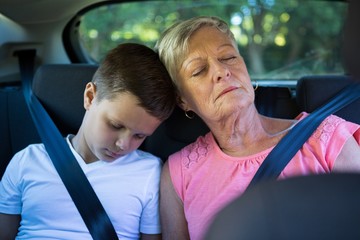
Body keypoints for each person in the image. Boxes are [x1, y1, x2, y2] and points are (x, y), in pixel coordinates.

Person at [155, 16, 360, 240]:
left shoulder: (328, 138)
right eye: (198, 70)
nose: (221, 71)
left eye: (228, 57)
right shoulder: (178, 173)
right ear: (182, 100)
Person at [0, 43, 176, 239]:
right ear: (90, 97)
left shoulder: (150, 173)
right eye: (116, 125)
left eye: (139, 136)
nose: (124, 145)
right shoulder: (27, 161)